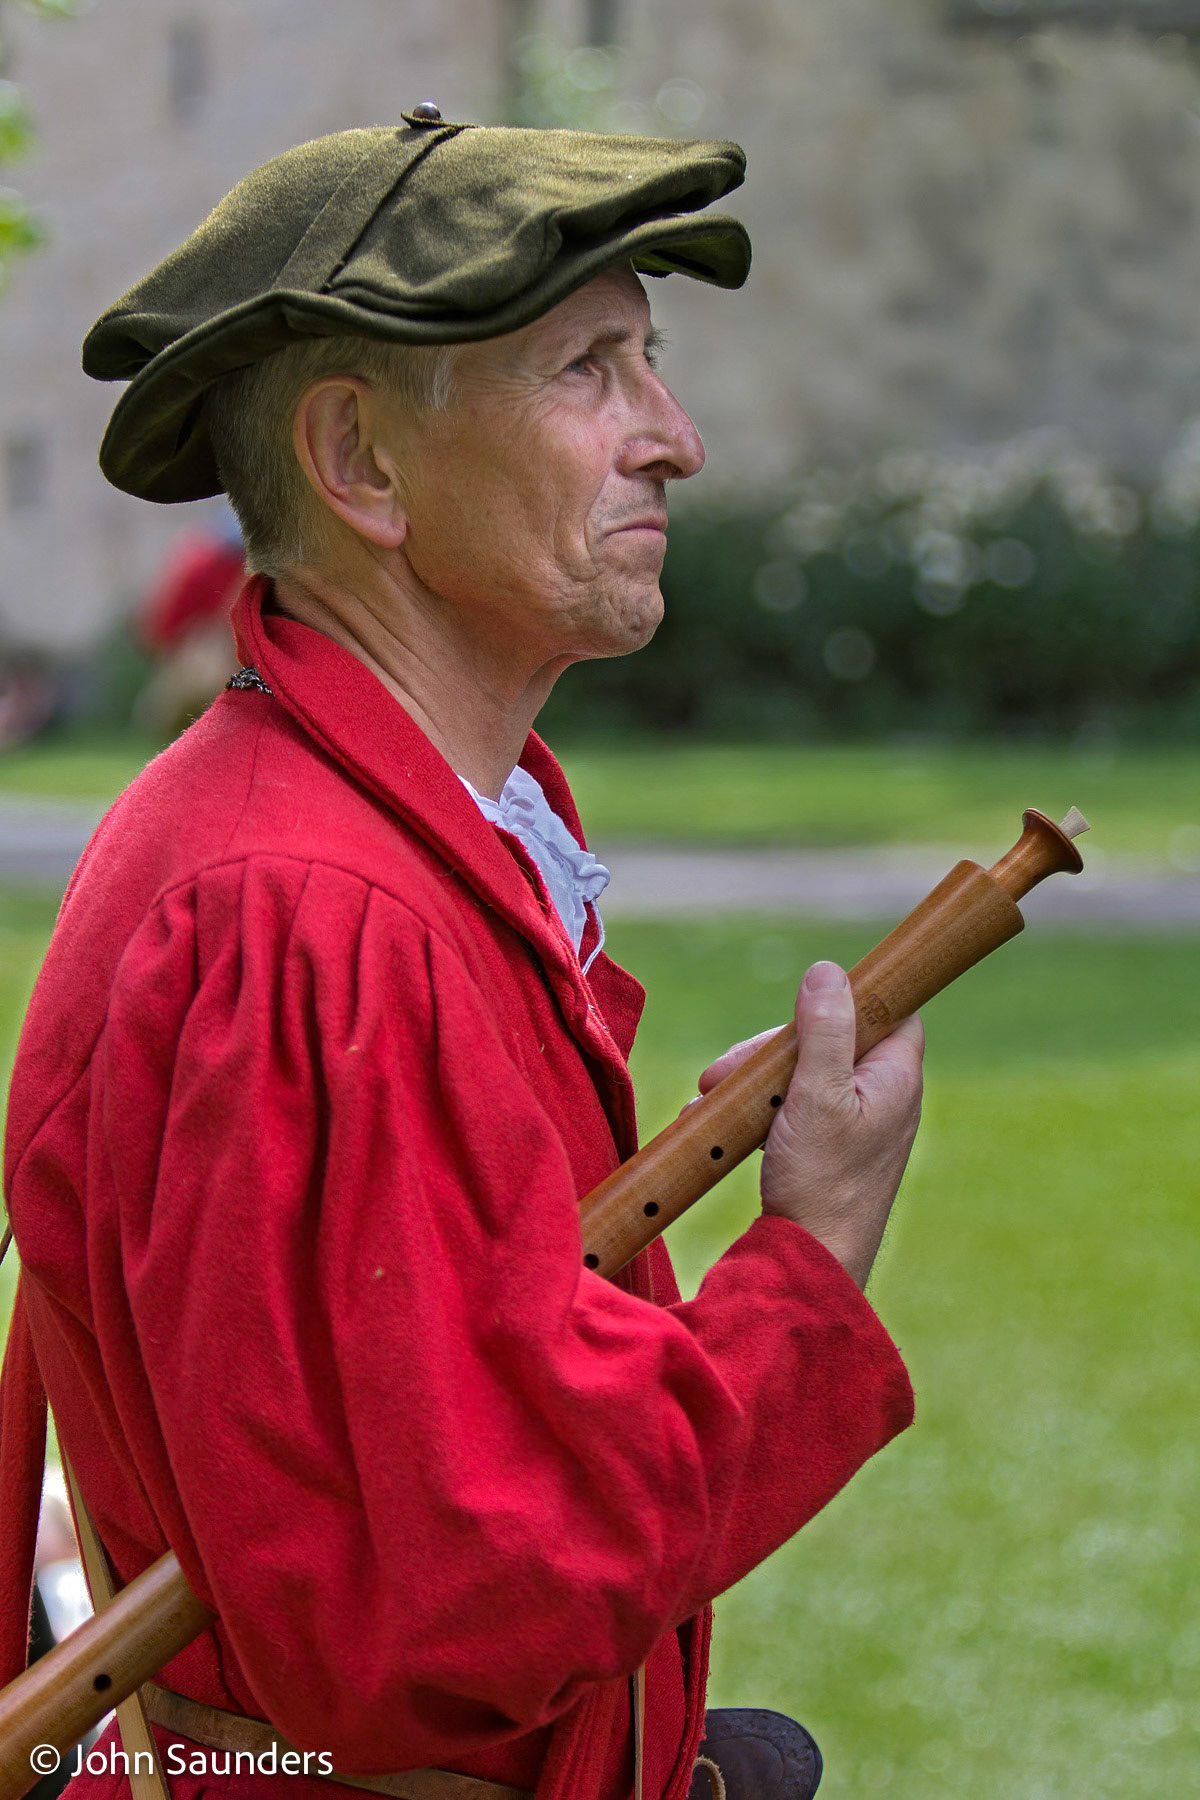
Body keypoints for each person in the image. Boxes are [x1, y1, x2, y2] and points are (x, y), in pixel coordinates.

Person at [0, 115, 924, 1800]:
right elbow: (471, 1612)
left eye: (653, 363)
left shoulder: (380, 839)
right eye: (588, 370)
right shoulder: (307, 918)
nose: (676, 440)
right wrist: (813, 1253)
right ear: (359, 462)